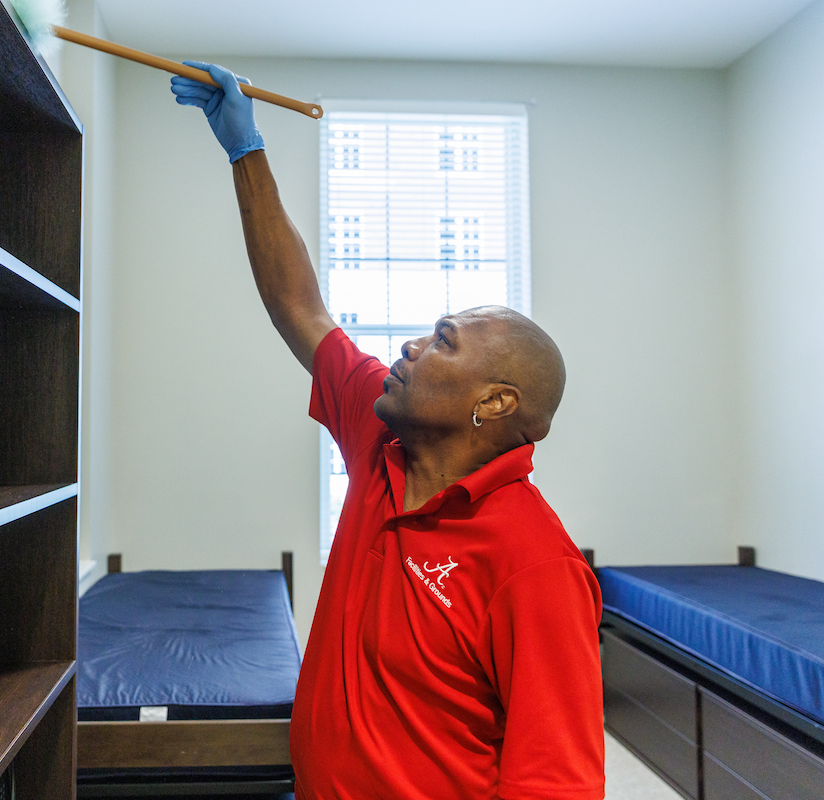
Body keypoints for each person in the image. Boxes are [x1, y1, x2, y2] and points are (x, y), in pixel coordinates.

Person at [172, 63, 604, 800]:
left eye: (443, 340)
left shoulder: (535, 564)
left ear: (496, 403)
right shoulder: (383, 441)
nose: (409, 347)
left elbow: (556, 782)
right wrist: (246, 153)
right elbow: (301, 309)